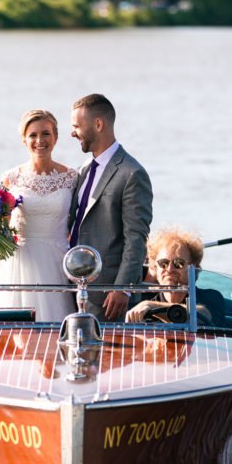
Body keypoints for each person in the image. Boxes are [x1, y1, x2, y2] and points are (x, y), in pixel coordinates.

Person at [68, 94, 153, 320]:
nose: (72, 133)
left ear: (98, 124)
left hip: (108, 295)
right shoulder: (85, 168)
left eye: (77, 126)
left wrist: (122, 288)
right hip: (73, 287)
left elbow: (136, 238)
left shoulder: (132, 173)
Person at [0, 109, 78, 323]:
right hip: (21, 261)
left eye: (46, 133)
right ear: (24, 140)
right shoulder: (10, 178)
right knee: (16, 328)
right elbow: (1, 225)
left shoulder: (71, 177)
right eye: (33, 135)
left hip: (56, 260)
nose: (40, 140)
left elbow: (77, 221)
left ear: (56, 137)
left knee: (57, 324)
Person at [125, 227, 204, 322]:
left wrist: (152, 307)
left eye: (178, 263)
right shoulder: (140, 309)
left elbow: (203, 315)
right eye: (163, 263)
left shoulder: (211, 297)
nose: (170, 269)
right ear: (155, 269)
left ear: (193, 267)